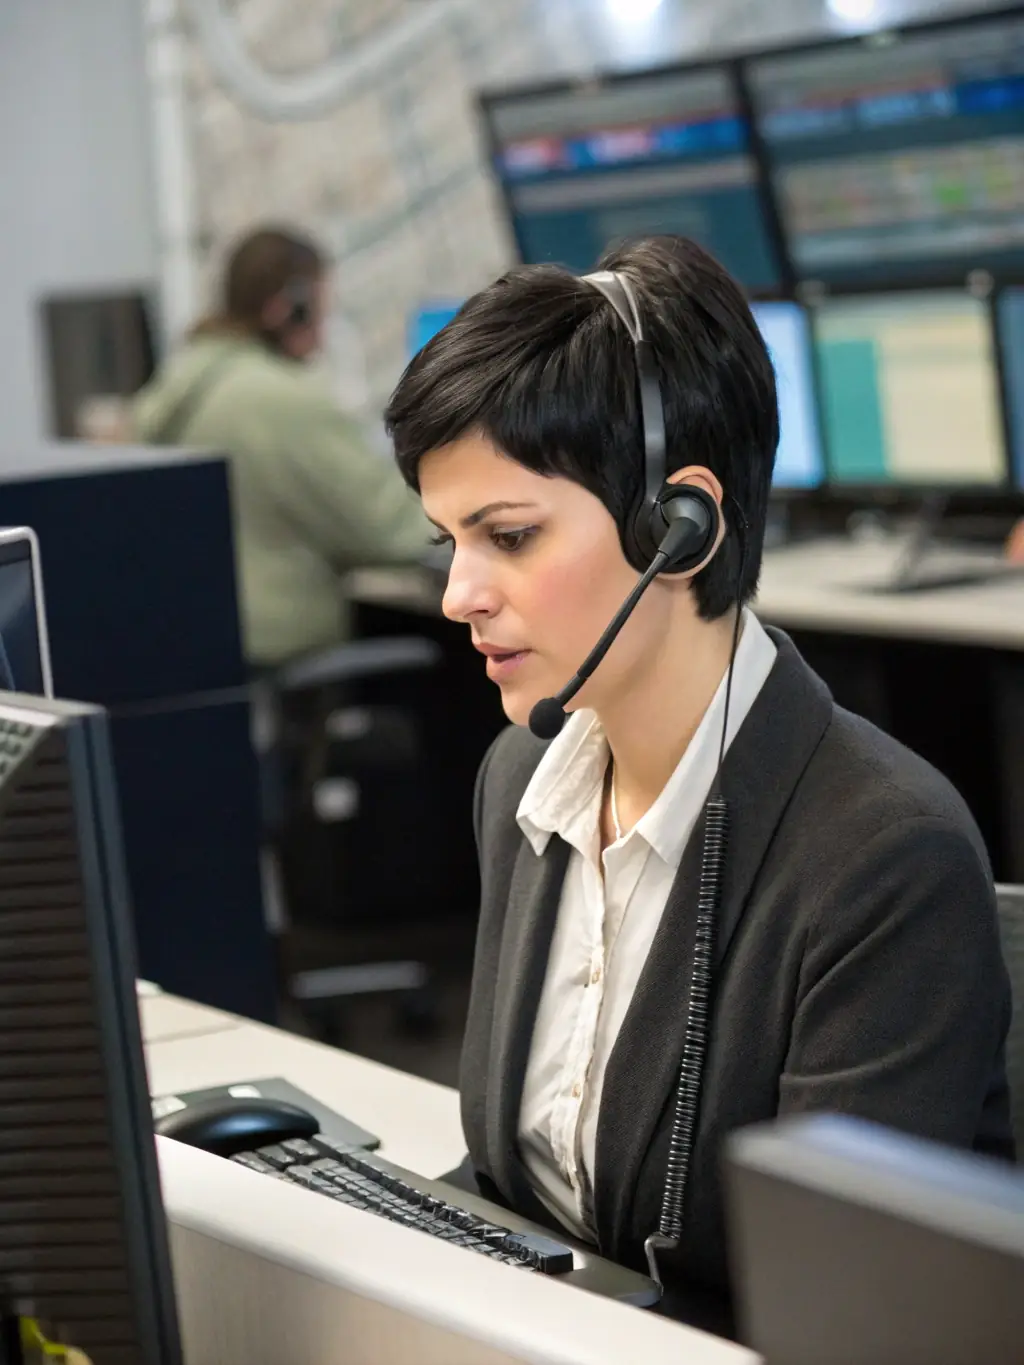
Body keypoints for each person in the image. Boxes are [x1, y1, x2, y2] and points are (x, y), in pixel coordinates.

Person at [384, 236, 1013, 1336]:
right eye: (448, 541)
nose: (457, 594)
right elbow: (517, 1193)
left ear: (681, 529)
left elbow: (846, 1321)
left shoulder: (880, 856)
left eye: (508, 536)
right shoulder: (525, 780)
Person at [133, 226, 429, 667]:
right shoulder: (278, 399)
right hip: (280, 644)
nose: (324, 330)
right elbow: (389, 528)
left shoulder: (183, 381)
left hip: (210, 641)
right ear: (286, 308)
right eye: (319, 310)